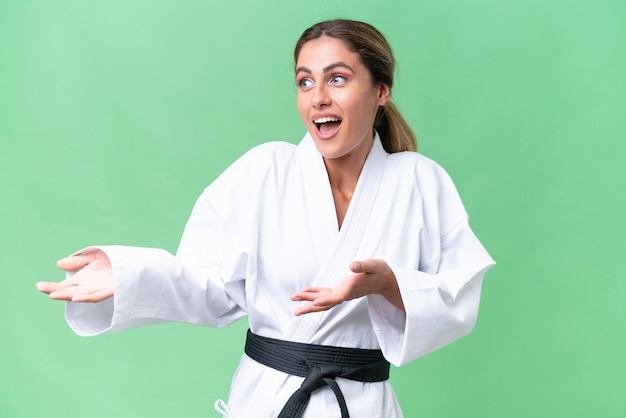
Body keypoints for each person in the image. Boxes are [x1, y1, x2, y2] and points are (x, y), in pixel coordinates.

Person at [37, 19, 495, 418]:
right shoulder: (264, 171)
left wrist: (387, 283)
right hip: (267, 401)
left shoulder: (420, 181)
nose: (317, 97)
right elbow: (209, 285)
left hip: (361, 405)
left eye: (337, 79)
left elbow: (459, 293)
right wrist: (128, 273)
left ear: (381, 90)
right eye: (304, 82)